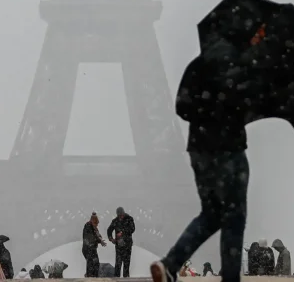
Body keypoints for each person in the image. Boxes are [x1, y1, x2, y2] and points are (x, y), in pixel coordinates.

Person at [150, 39, 252, 282]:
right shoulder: (239, 69)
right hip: (229, 150)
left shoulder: (197, 67)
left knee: (211, 214)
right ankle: (230, 279)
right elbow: (248, 106)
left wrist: (206, 110)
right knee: (233, 217)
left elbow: (182, 107)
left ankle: (170, 264)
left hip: (200, 151)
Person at [107, 207, 136, 277]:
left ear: (124, 213)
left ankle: (126, 279)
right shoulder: (115, 221)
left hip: (127, 245)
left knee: (126, 264)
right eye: (119, 215)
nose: (121, 216)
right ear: (117, 215)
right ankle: (117, 279)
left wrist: (122, 233)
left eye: (122, 215)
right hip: (119, 245)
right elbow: (109, 230)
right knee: (118, 264)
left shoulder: (129, 219)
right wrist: (111, 238)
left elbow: (132, 229)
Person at [82, 212, 106, 277]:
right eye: (96, 223)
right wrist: (99, 240)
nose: (97, 225)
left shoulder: (94, 227)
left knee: (95, 264)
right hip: (88, 249)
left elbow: (98, 236)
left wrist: (100, 240)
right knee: (91, 265)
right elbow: (91, 237)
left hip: (92, 249)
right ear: (92, 221)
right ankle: (90, 277)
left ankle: (94, 277)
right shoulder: (88, 226)